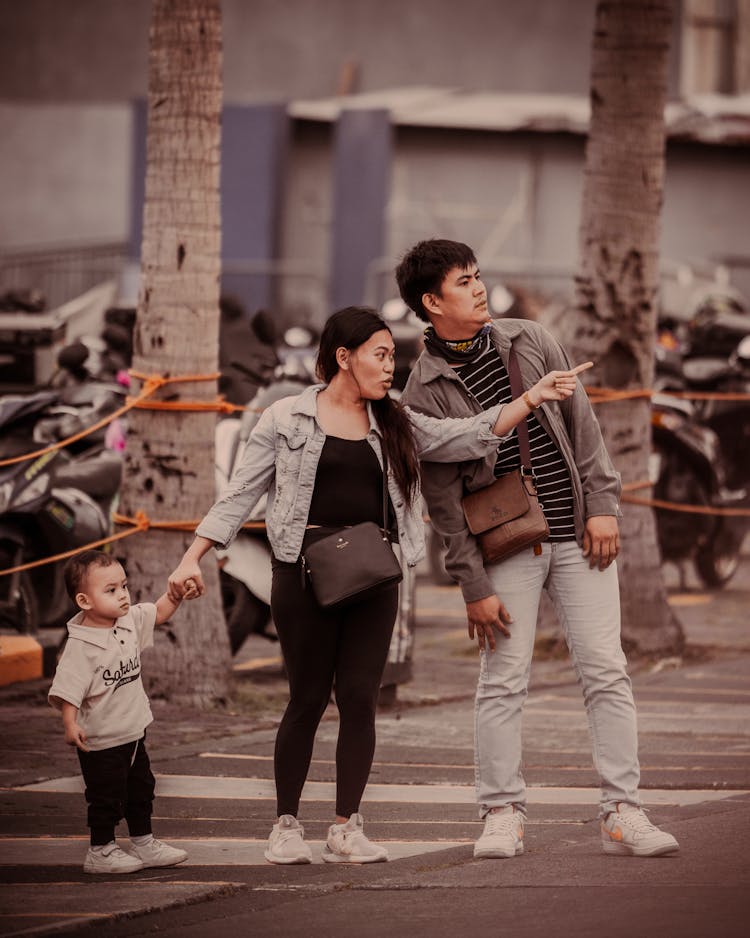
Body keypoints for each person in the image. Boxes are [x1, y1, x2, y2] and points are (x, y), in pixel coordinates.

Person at [167, 305, 585, 866]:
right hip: (302, 573)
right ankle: (286, 826)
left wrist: (529, 400)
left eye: (394, 356)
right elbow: (239, 495)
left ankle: (346, 825)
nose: (392, 367)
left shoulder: (395, 421)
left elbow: (465, 435)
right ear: (344, 357)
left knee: (360, 699)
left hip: (374, 574)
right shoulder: (285, 419)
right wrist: (193, 556)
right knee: (306, 699)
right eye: (381, 355)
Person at [397, 239, 679, 860]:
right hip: (505, 548)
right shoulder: (424, 387)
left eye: (479, 277)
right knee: (503, 680)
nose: (478, 289)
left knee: (606, 670)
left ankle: (623, 809)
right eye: (463, 282)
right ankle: (501, 812)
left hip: (580, 535)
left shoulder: (528, 338)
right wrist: (472, 585)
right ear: (430, 301)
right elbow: (442, 501)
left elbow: (586, 432)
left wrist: (603, 508)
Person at [48, 549, 195, 874]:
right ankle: (100, 850)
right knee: (106, 796)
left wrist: (177, 596)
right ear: (85, 601)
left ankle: (144, 842)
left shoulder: (127, 622)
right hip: (101, 741)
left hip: (133, 732)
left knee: (141, 789)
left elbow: (158, 612)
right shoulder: (81, 646)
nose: (123, 596)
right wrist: (70, 724)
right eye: (111, 590)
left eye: (124, 586)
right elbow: (69, 690)